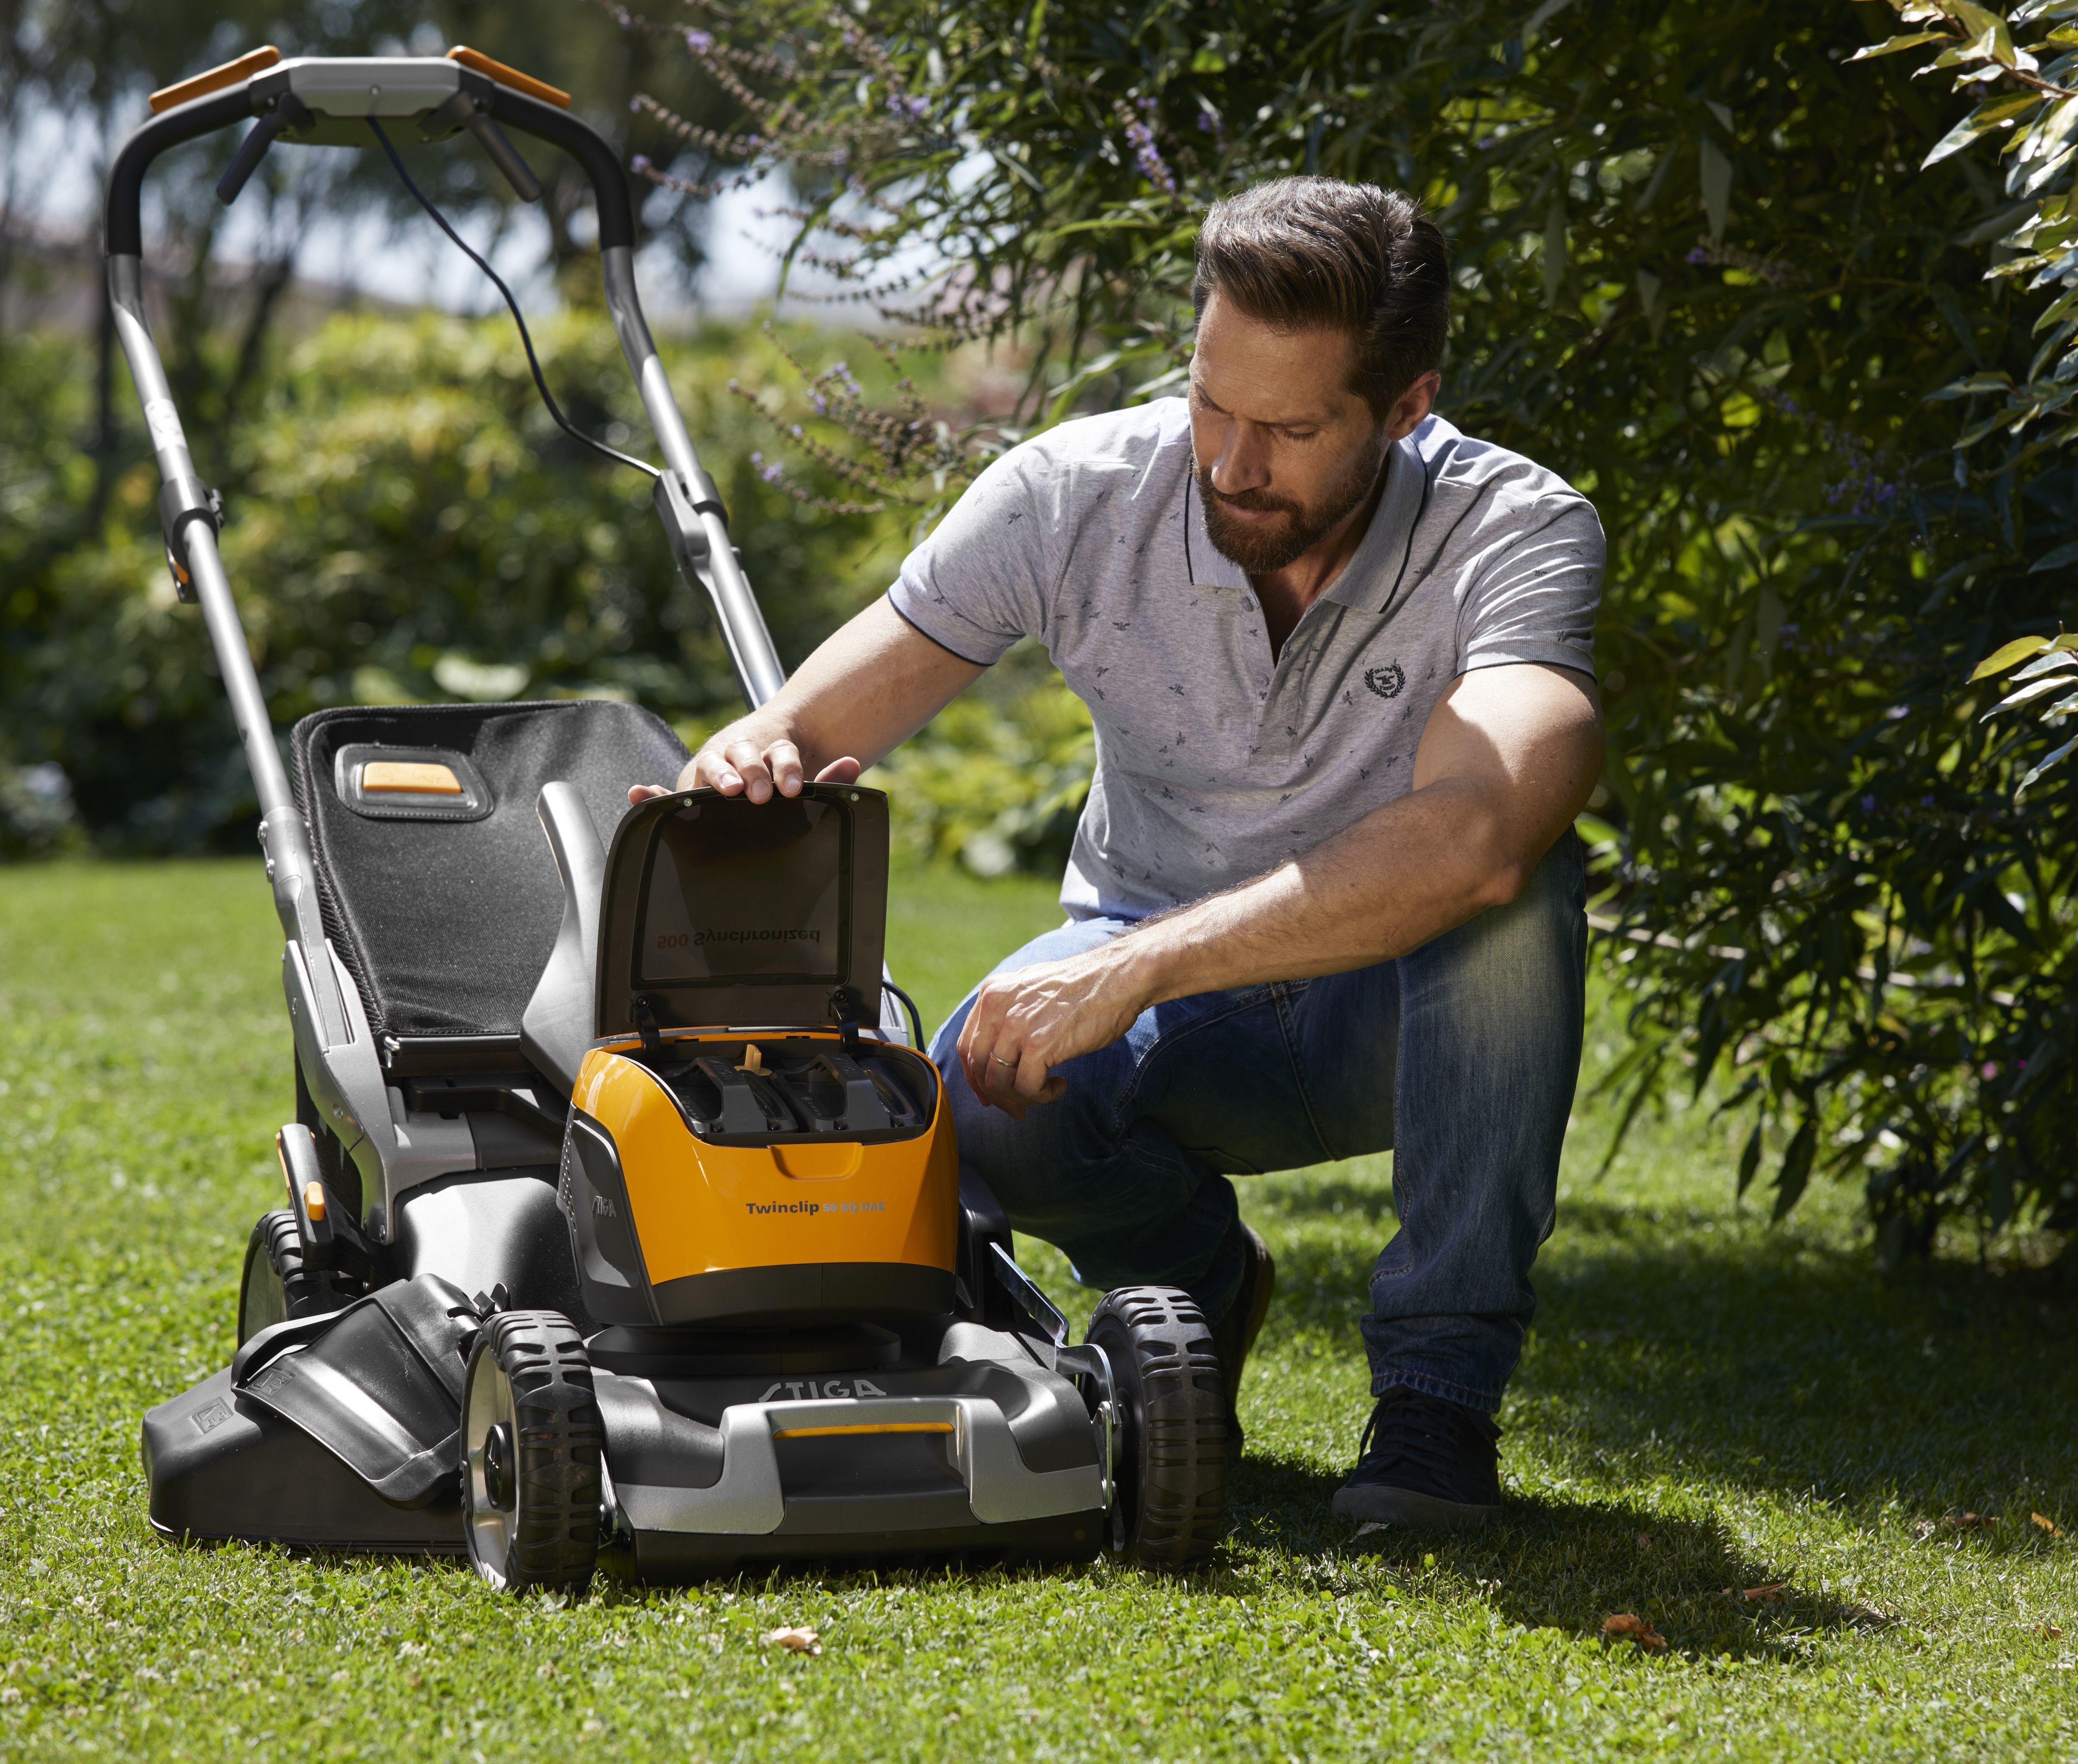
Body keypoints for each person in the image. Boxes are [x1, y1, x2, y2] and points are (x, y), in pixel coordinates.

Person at [631, 176, 1603, 1527]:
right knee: (972, 1086)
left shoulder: (1518, 531)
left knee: (1520, 899)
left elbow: (1481, 838)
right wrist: (755, 756)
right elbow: (809, 720)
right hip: (1167, 1007)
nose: (1231, 461)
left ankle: (1437, 1404)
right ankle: (1193, 1296)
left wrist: (1142, 967)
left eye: (1291, 427)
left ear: (1407, 407)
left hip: (1396, 1011)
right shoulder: (1073, 494)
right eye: (1211, 399)